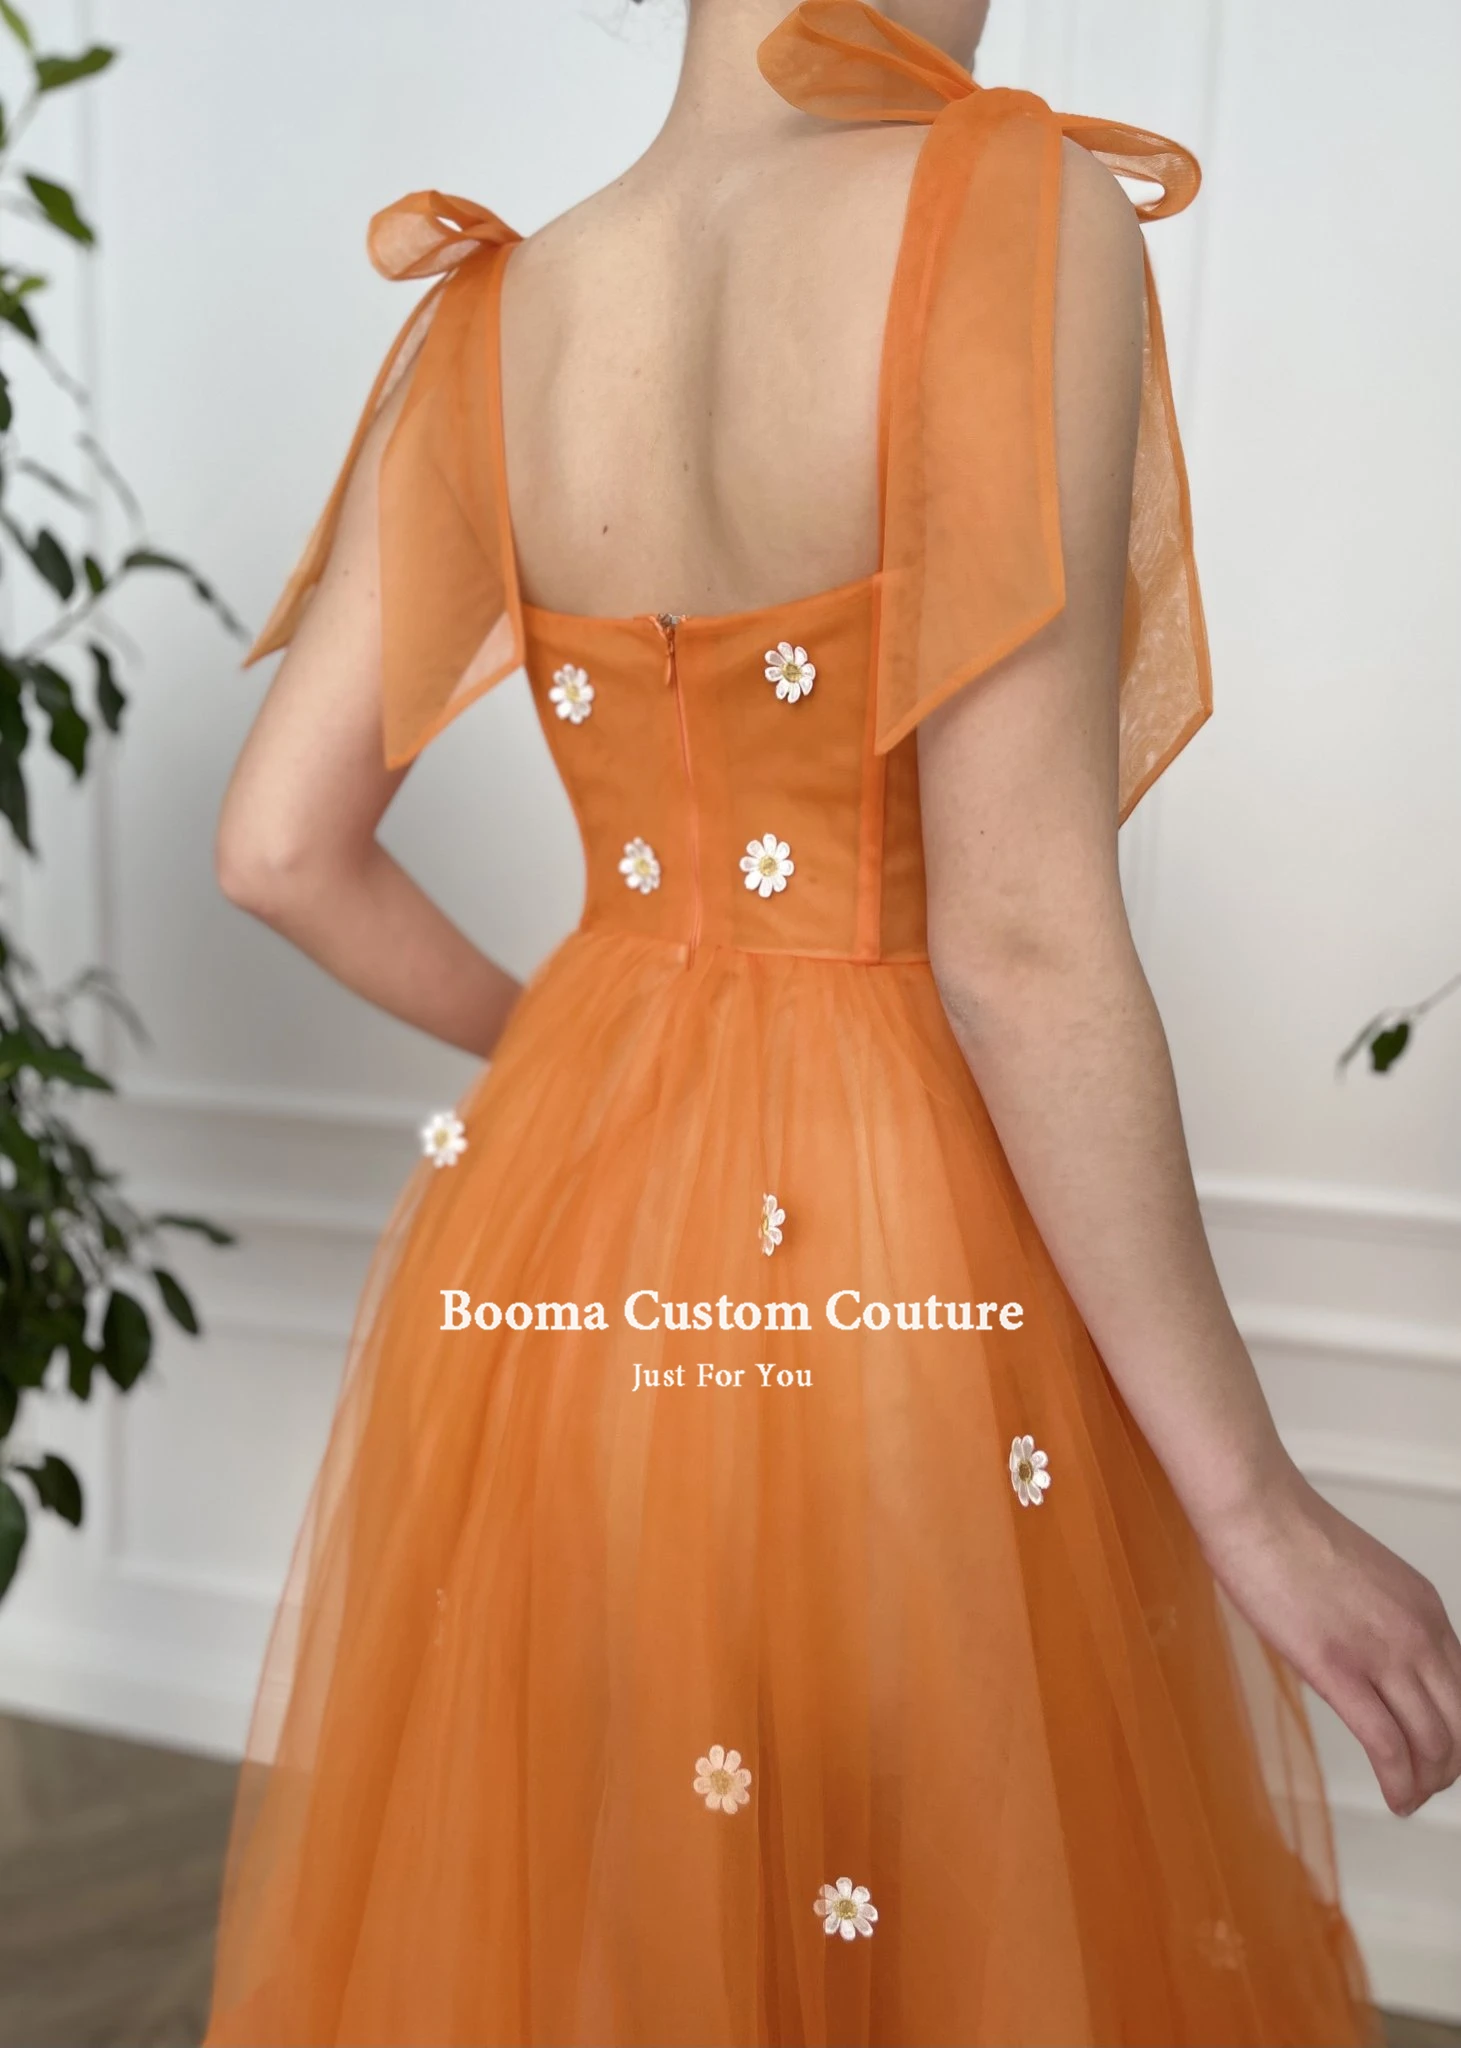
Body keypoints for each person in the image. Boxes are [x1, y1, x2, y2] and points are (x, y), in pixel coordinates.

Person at [202, 3, 1459, 2043]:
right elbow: (1016, 936)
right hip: (907, 1249)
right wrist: (1253, 1502)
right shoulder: (1002, 207)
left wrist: (587, 1076)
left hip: (570, 1239)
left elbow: (278, 848)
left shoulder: (494, 312)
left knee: (636, 1939)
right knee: (942, 1935)